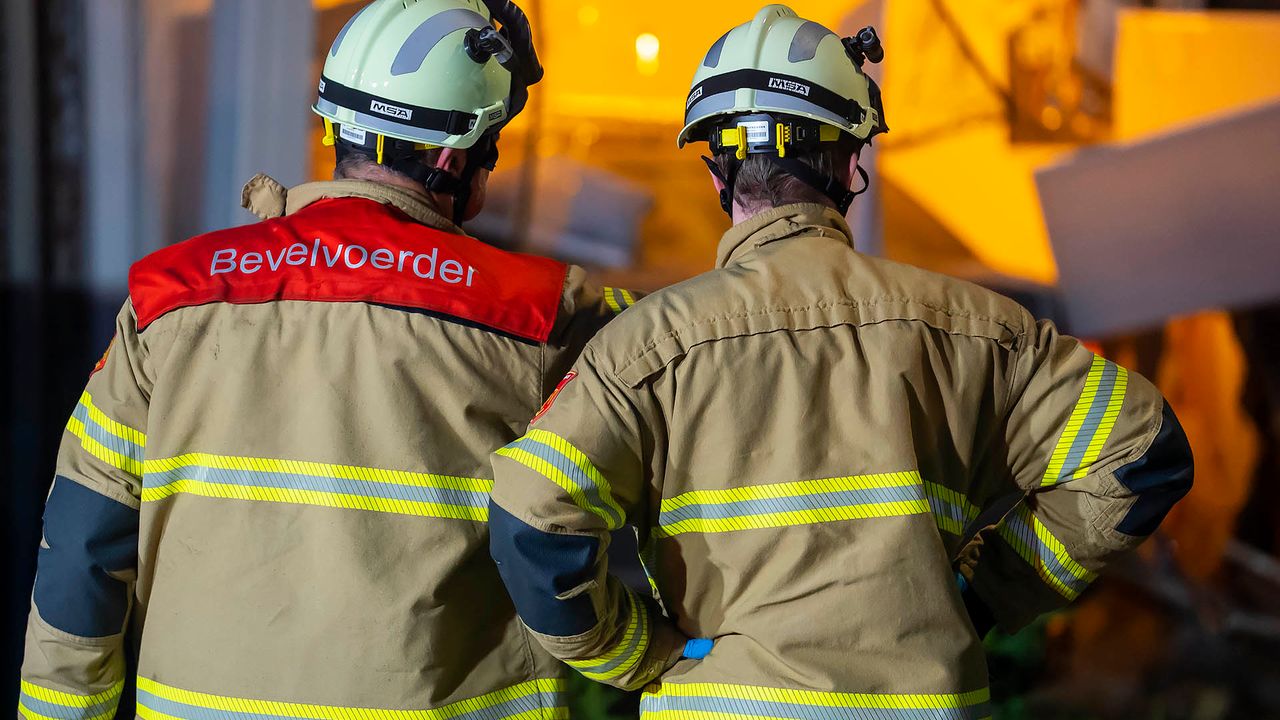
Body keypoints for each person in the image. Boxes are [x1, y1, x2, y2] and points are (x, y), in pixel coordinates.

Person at [488, 4, 1195, 716]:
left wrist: (640, 655)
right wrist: (986, 596)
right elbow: (1140, 452)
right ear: (850, 164)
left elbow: (533, 518)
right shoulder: (979, 327)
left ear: (716, 175)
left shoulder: (645, 344)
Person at [17, 1, 631, 717]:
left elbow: (84, 543)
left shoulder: (169, 300)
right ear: (452, 157)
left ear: (338, 127)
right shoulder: (541, 314)